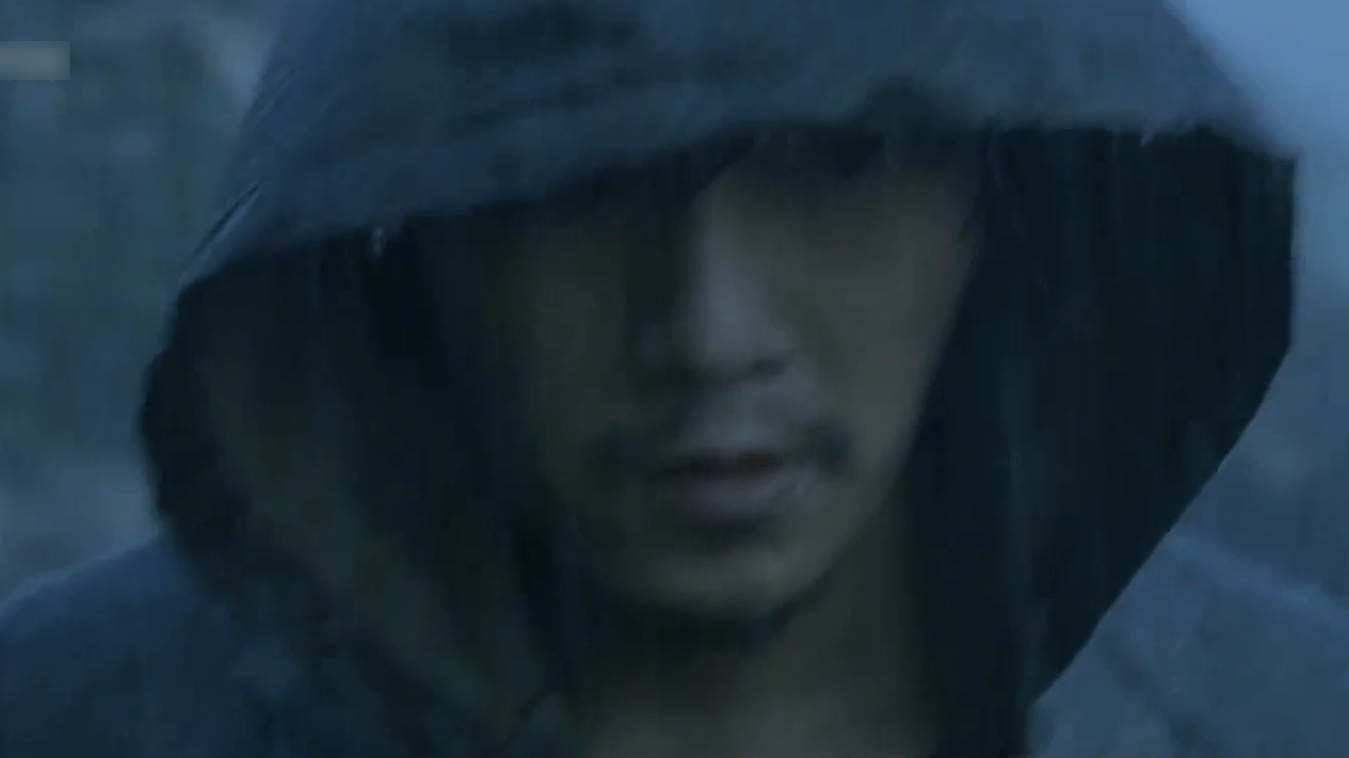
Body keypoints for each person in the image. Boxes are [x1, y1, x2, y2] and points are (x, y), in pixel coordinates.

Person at [0, 0, 1317, 756]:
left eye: (841, 161)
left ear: (994, 203)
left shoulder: (1295, 714)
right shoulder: (67, 714)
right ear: (407, 233)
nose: (705, 330)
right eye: (564, 183)